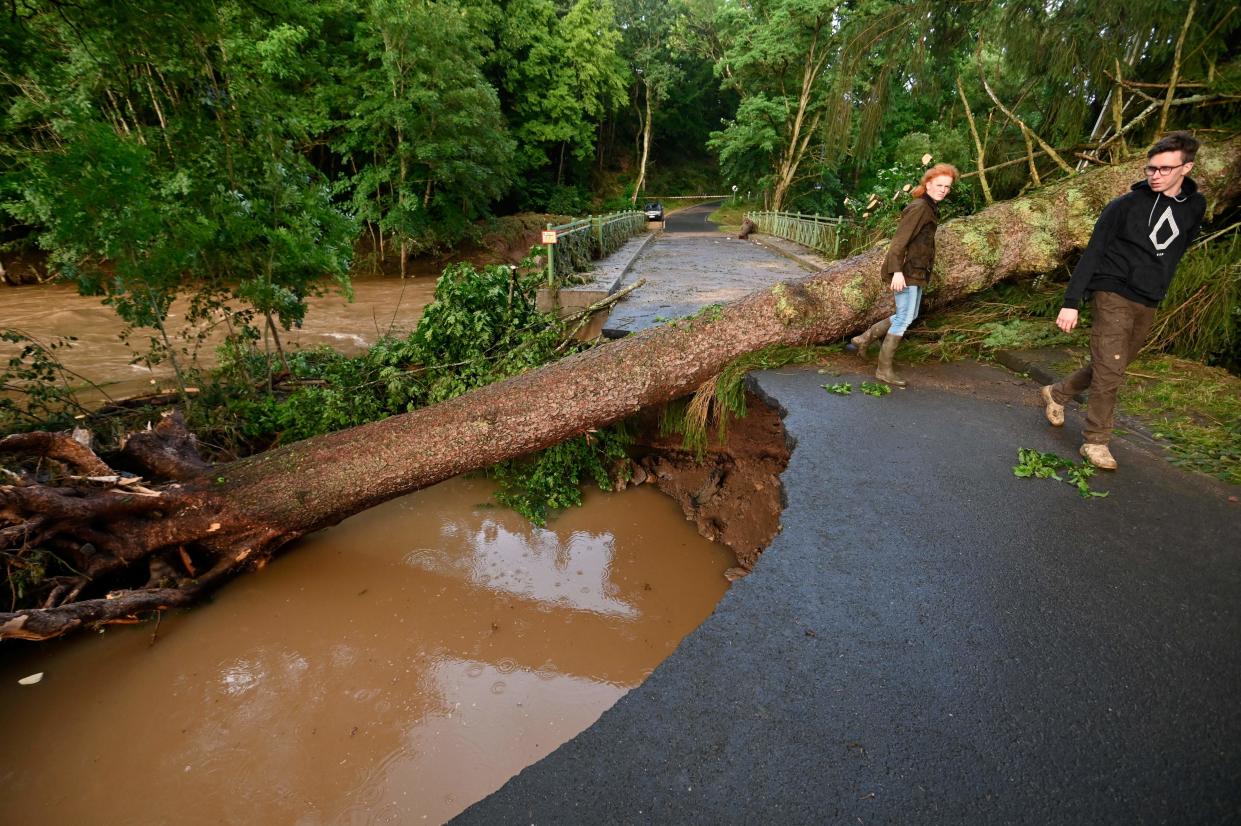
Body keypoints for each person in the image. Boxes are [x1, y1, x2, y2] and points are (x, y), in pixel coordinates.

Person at [1040, 131, 1206, 470]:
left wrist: (1158, 281)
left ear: (1185, 168)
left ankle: (1057, 393)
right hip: (1113, 290)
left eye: (1164, 169)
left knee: (1111, 364)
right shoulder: (1124, 206)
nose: (1155, 175)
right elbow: (1094, 252)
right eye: (1151, 168)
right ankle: (1096, 441)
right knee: (1111, 369)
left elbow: (1178, 248)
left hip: (1149, 298)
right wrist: (1072, 301)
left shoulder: (1195, 207)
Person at [850, 163, 960, 386]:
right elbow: (898, 243)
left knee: (908, 314)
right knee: (904, 318)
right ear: (928, 184)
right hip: (906, 272)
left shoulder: (930, 207)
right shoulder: (919, 207)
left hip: (917, 272)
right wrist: (897, 272)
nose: (943, 190)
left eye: (947, 187)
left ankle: (864, 339)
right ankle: (883, 370)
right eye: (939, 185)